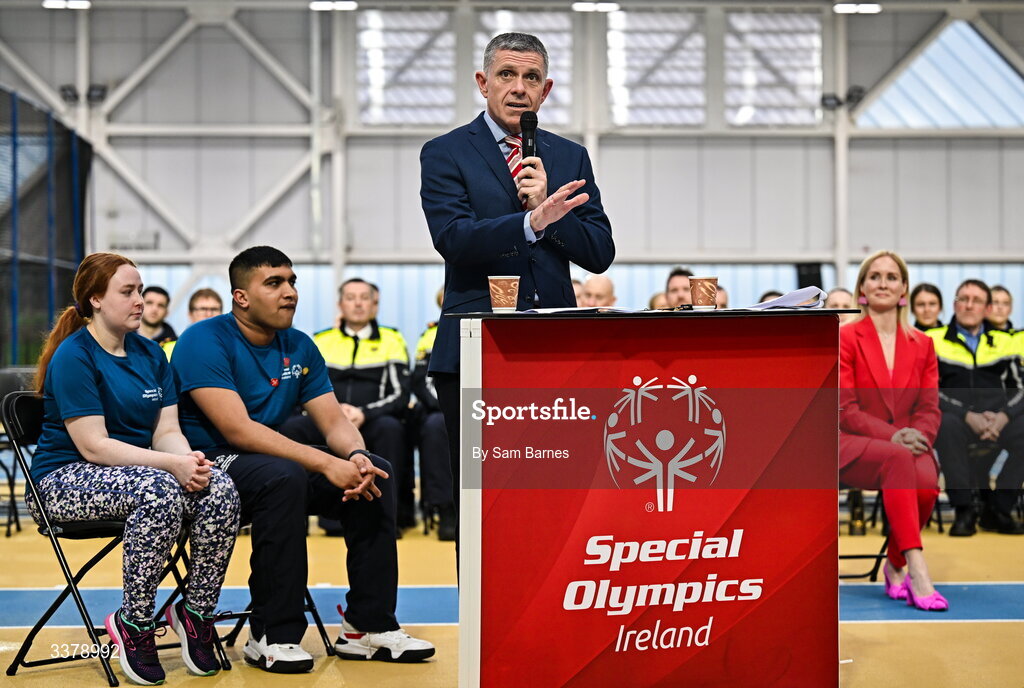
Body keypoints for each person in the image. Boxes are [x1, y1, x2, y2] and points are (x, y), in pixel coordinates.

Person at [171, 246, 434, 673]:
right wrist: (326, 463)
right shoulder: (203, 340)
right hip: (208, 468)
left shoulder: (299, 345)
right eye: (274, 283)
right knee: (285, 476)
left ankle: (368, 625)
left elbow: (333, 421)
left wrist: (355, 456)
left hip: (271, 466)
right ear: (241, 297)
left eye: (292, 281)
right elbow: (238, 430)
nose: (289, 292)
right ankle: (271, 633)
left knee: (373, 472)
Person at [419, 32, 614, 517]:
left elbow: (600, 252)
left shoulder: (569, 157)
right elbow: (454, 238)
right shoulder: (445, 152)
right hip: (473, 346)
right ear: (483, 83)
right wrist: (530, 223)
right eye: (507, 75)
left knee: (552, 496)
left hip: (554, 351)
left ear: (545, 91)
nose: (519, 87)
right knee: (481, 504)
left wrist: (551, 213)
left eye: (531, 78)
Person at [30, 253, 240, 684]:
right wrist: (172, 466)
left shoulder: (150, 353)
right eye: (127, 292)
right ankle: (136, 623)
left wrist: (189, 461)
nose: (140, 300)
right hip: (62, 481)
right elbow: (95, 447)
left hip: (133, 473)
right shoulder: (75, 356)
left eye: (140, 290)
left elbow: (166, 430)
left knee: (219, 487)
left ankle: (196, 612)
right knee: (158, 491)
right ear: (95, 301)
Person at [839, 250, 947, 611]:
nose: (883, 282)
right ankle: (917, 570)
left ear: (903, 289)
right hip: (852, 445)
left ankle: (895, 564)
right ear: (863, 288)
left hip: (907, 445)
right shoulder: (845, 337)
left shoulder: (924, 344)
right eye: (874, 276)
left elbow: (929, 407)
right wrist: (893, 437)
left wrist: (919, 437)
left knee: (928, 485)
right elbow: (844, 409)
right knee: (900, 459)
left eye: (891, 277)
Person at [304, 278, 415, 532]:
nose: (357, 304)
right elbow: (303, 389)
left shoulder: (392, 340)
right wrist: (334, 413)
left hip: (373, 418)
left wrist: (363, 414)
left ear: (375, 305)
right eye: (351, 298)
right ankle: (303, 516)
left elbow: (401, 394)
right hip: (326, 417)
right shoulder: (321, 340)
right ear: (340, 304)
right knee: (293, 427)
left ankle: (389, 516)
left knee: (392, 429)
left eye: (364, 298)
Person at [927, 279, 1024, 536]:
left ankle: (999, 508)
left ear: (987, 308)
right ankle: (964, 510)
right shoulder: (932, 340)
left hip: (998, 421)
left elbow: (1020, 389)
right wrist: (967, 415)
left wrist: (1004, 416)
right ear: (954, 304)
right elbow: (927, 390)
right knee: (945, 425)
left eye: (977, 300)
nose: (969, 305)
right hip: (957, 420)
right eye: (963, 299)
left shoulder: (1007, 342)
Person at [409, 287, 456, 541]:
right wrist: (449, 405)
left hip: (486, 408)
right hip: (443, 408)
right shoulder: (430, 335)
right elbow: (421, 380)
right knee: (436, 426)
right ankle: (446, 508)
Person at [163, 288, 224, 360]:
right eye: (203, 309)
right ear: (190, 314)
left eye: (214, 309)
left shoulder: (232, 347)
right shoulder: (171, 349)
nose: (209, 314)